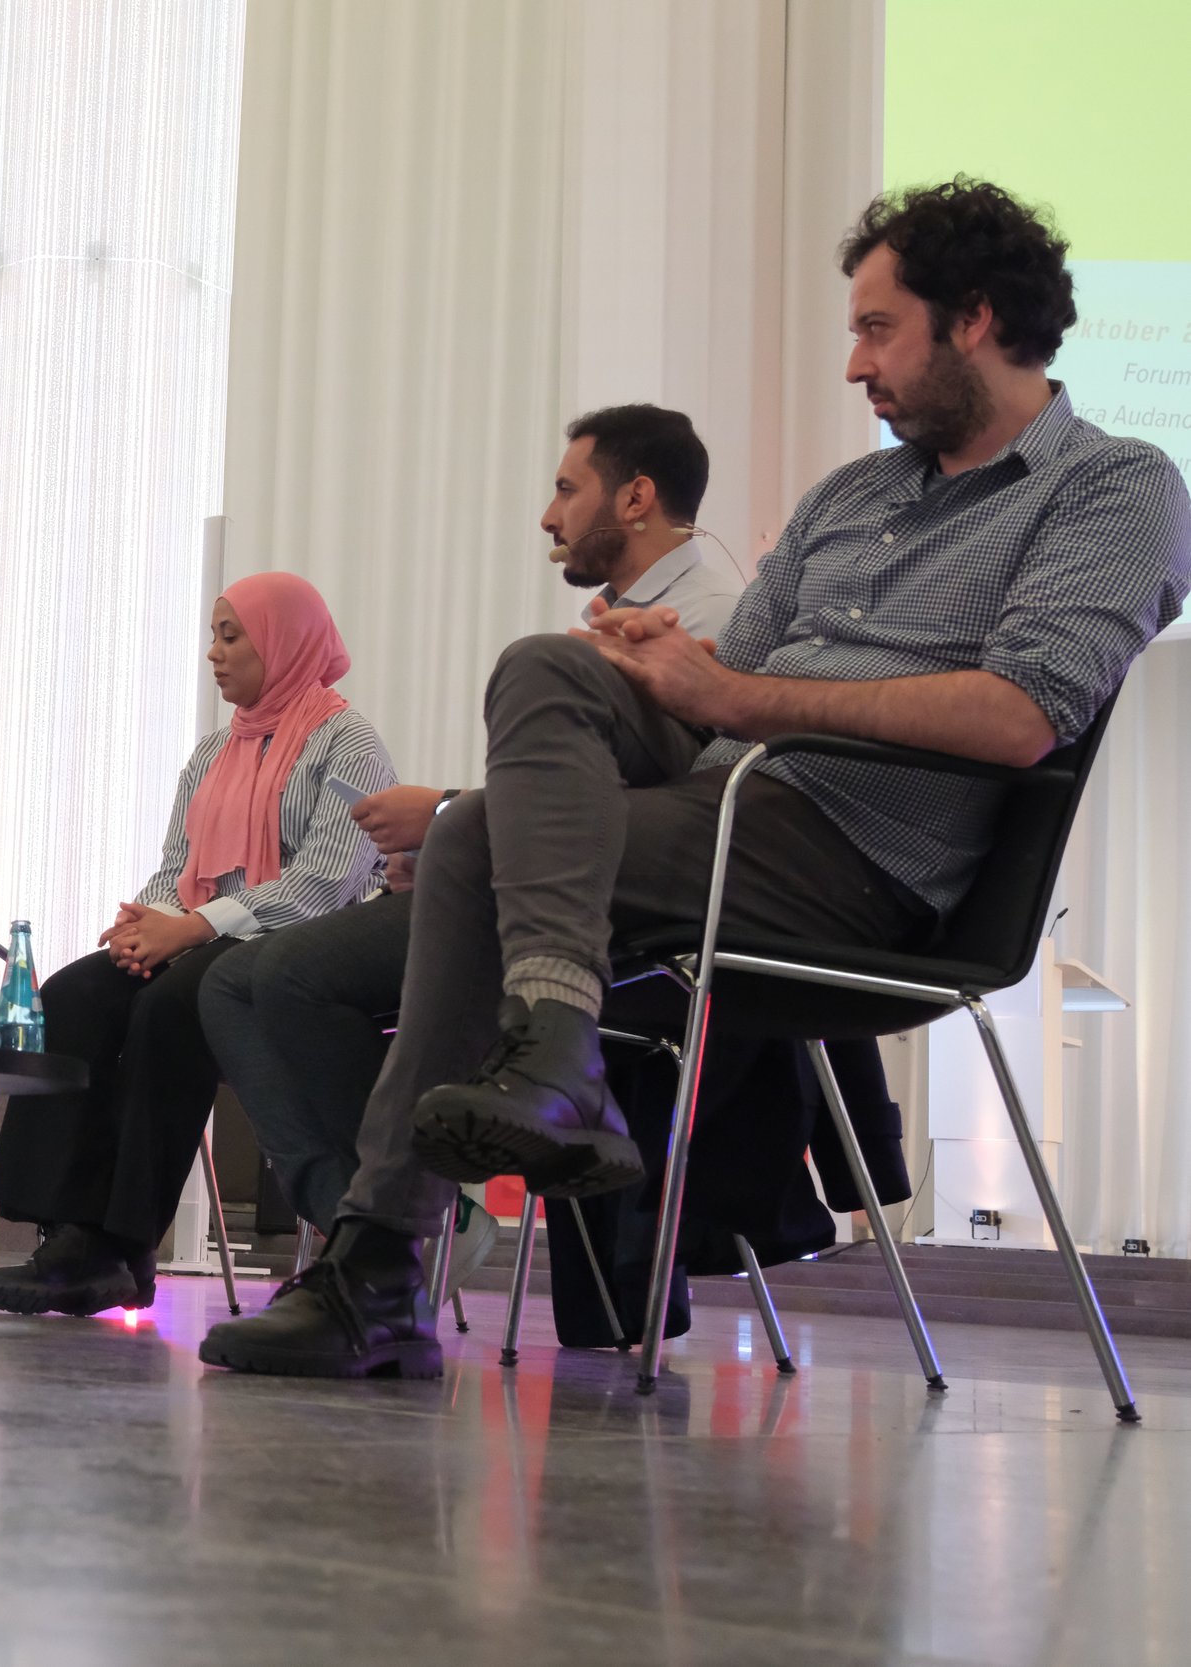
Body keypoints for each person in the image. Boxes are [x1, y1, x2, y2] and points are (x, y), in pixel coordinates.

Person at [201, 178, 1191, 1380]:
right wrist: (668, 662)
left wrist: (732, 694)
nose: (853, 365)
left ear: (973, 318)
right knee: (540, 676)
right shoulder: (853, 496)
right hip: (727, 805)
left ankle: (382, 1266)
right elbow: (743, 670)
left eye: (877, 329)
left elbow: (1023, 713)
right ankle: (547, 1065)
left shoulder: (1113, 486)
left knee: (470, 842)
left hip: (867, 860)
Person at [199, 406, 739, 1238]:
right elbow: (567, 794)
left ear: (636, 498)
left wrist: (450, 817)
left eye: (567, 489)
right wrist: (454, 837)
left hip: (597, 913)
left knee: (267, 979)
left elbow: (655, 806)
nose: (549, 516)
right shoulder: (623, 619)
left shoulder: (708, 621)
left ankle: (392, 1232)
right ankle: (374, 1228)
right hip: (521, 885)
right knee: (231, 983)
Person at [0, 573, 395, 1316]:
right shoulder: (212, 753)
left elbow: (326, 883)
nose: (214, 652)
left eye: (232, 636)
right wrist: (150, 927)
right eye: (214, 634)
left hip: (289, 952)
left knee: (170, 1006)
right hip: (197, 937)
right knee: (74, 995)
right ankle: (68, 1229)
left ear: (284, 640)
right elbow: (176, 869)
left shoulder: (348, 741)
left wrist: (195, 927)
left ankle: (124, 1242)